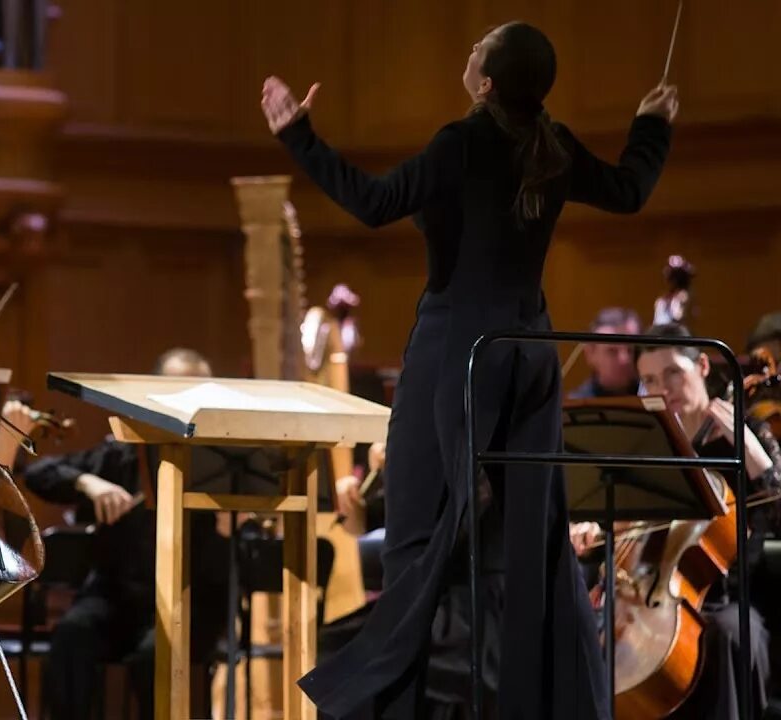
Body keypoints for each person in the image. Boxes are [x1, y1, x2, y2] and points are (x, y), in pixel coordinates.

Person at [262, 21, 678, 719]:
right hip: (530, 357)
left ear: (486, 82)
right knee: (530, 550)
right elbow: (630, 189)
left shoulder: (460, 143)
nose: (468, 49)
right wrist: (652, 126)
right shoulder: (554, 144)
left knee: (415, 538)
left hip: (456, 353)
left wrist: (296, 134)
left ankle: (394, 708)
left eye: (478, 47)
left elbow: (372, 203)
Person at [0, 348, 228, 720]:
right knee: (72, 636)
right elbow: (41, 474)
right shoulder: (123, 454)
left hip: (190, 602)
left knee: (156, 656)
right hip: (116, 597)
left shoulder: (219, 463)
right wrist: (87, 482)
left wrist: (232, 523)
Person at [571, 323, 779, 719]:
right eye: (650, 379)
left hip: (728, 598)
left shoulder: (747, 433)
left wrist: (756, 459)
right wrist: (592, 531)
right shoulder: (651, 443)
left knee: (730, 634)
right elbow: (626, 526)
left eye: (672, 373)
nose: (663, 388)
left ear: (702, 366)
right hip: (652, 594)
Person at [568, 307, 642, 399]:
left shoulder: (651, 397)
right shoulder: (576, 404)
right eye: (612, 351)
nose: (625, 359)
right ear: (590, 353)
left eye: (630, 350)